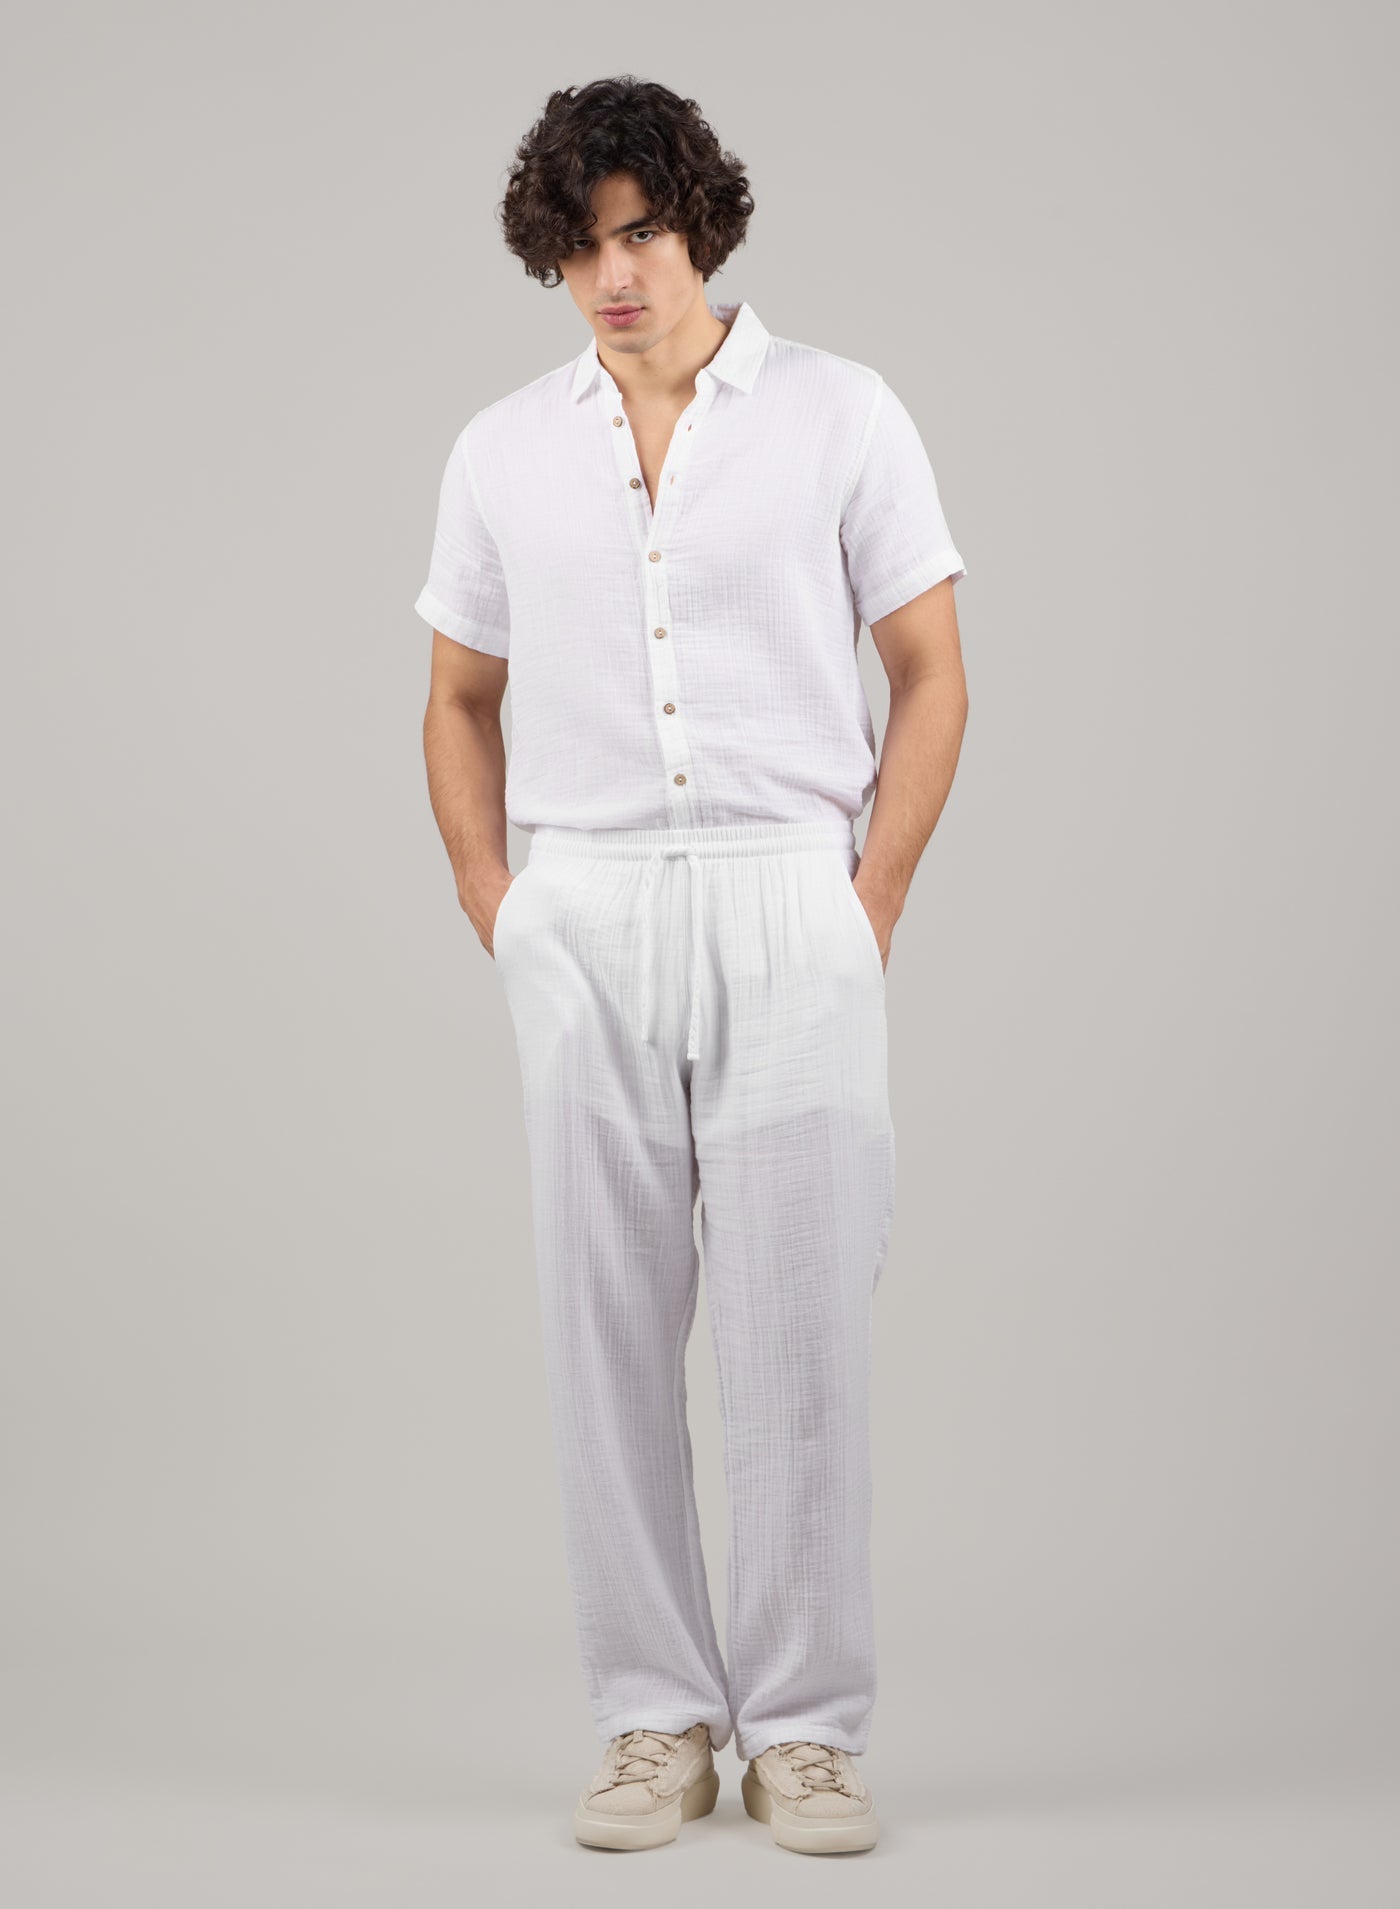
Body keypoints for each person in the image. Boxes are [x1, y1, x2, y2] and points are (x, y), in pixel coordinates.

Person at [415, 76, 968, 1856]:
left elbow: (931, 670)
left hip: (788, 897)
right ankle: (651, 1715)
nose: (616, 276)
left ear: (700, 223)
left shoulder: (841, 414)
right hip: (585, 910)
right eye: (581, 247)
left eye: (642, 231)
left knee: (802, 1324)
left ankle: (805, 1727)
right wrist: (500, 900)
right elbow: (458, 697)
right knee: (604, 1330)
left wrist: (867, 901)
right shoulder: (501, 451)